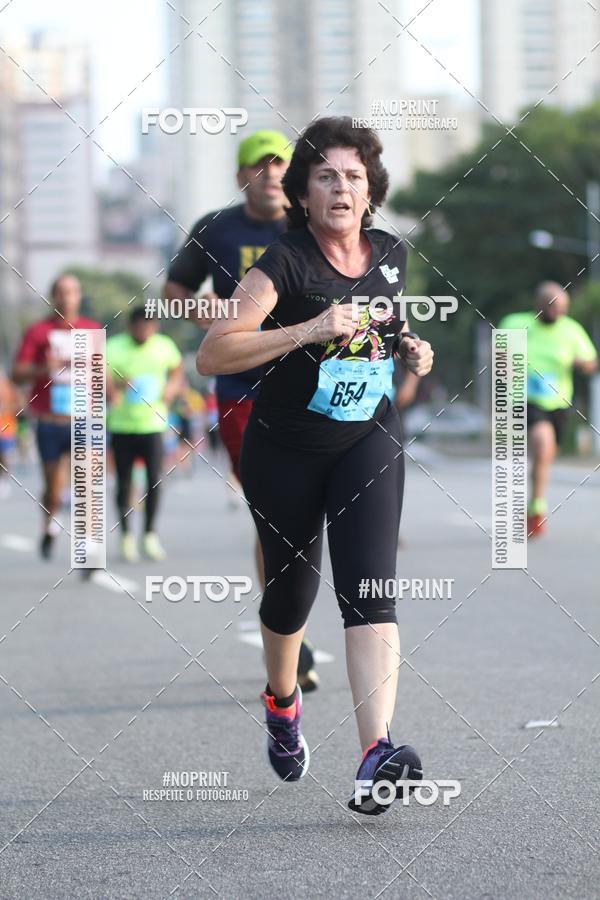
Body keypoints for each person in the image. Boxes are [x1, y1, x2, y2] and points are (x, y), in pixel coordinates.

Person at [197, 116, 434, 814]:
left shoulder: (391, 252)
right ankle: (281, 698)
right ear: (303, 193)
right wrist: (303, 328)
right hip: (287, 449)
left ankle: (374, 755)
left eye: (354, 176)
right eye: (326, 176)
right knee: (291, 595)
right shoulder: (284, 262)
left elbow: (383, 326)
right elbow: (215, 351)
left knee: (369, 592)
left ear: (371, 189)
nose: (341, 187)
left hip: (367, 437)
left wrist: (410, 348)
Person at [165, 129, 319, 693]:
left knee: (308, 511)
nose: (274, 174)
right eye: (262, 165)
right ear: (241, 176)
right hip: (241, 387)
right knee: (274, 510)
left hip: (308, 381)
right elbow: (173, 292)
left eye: (282, 165)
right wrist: (198, 308)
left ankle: (289, 624)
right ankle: (291, 638)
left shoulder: (307, 223)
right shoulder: (216, 228)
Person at [12, 274, 100, 558]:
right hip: (50, 421)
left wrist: (115, 389)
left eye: (72, 292)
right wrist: (42, 368)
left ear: (79, 296)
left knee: (86, 481)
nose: (67, 297)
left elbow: (102, 374)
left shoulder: (92, 329)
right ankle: (49, 523)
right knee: (53, 488)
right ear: (53, 296)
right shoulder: (38, 332)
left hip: (84, 419)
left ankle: (86, 542)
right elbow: (16, 373)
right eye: (61, 292)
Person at [500, 282, 597, 537]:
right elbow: (499, 354)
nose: (558, 313)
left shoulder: (571, 330)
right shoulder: (515, 323)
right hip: (526, 400)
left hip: (559, 402)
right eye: (553, 308)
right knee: (543, 444)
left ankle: (534, 504)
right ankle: (539, 509)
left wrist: (582, 363)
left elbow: (590, 361)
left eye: (563, 309)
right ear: (539, 305)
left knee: (546, 455)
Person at [106, 307, 183, 562]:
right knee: (124, 482)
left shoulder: (164, 346)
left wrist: (171, 388)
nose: (143, 331)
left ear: (155, 327)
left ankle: (149, 534)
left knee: (154, 481)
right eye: (139, 326)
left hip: (153, 425)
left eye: (148, 326)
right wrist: (115, 387)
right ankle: (126, 535)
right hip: (122, 425)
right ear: (130, 327)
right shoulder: (114, 347)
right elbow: (102, 376)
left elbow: (176, 370)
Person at [0, 366, 19, 499]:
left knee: (5, 456)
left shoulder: (8, 387)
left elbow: (18, 404)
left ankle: (4, 479)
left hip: (6, 427)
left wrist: (6, 407)